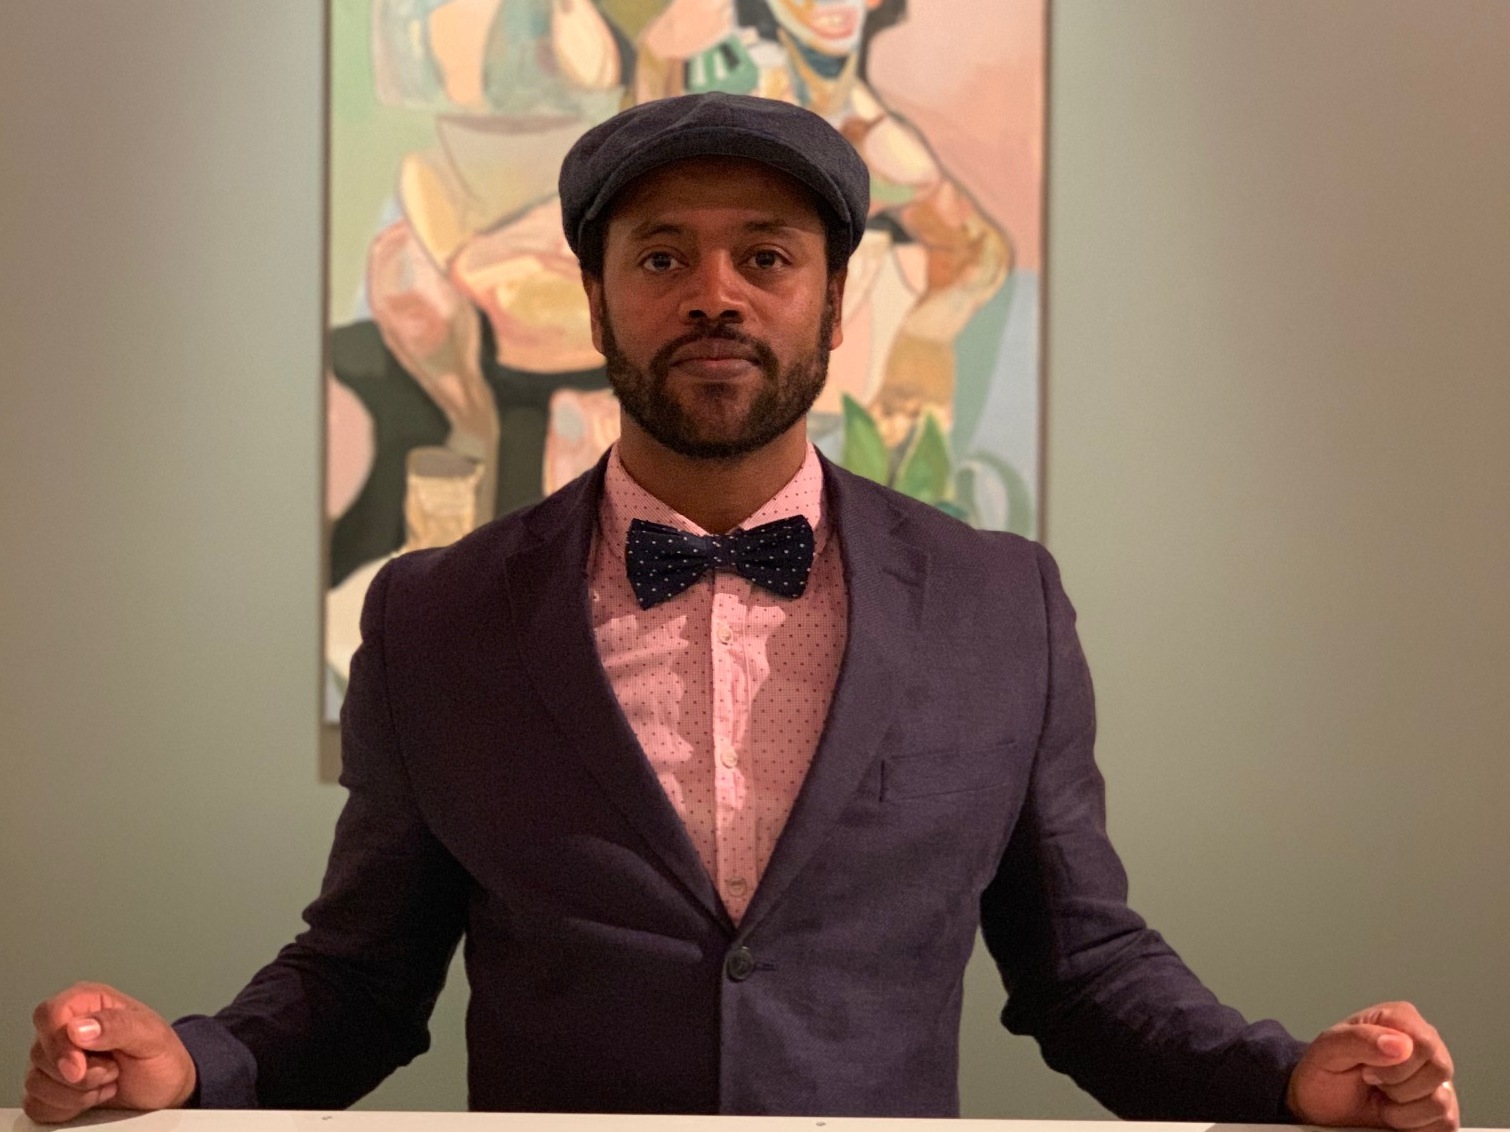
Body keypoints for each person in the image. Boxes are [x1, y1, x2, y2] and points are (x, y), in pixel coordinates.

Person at [23, 93, 1458, 1128]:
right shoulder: (435, 616)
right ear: (597, 301)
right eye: (661, 257)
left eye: (765, 256)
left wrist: (1285, 1082)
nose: (714, 294)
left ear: (831, 303)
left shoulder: (998, 604)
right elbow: (360, 978)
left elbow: (1084, 967)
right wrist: (192, 1067)